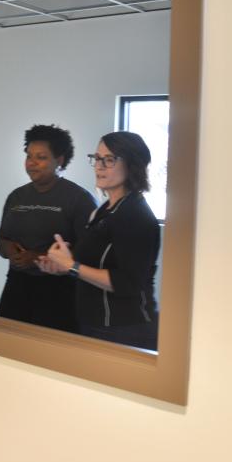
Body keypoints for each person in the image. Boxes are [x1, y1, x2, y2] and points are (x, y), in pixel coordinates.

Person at [37, 131, 160, 350]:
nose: (99, 166)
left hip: (125, 329)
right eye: (96, 158)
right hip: (94, 323)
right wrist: (62, 266)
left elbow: (126, 283)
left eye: (109, 159)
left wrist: (71, 266)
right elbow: (94, 266)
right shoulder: (104, 209)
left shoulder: (136, 216)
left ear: (132, 164)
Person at [0, 125, 97, 332]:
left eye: (40, 157)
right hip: (16, 287)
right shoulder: (16, 197)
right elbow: (0, 241)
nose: (31, 163)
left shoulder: (80, 199)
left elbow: (89, 254)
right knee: (7, 348)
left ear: (59, 161)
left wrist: (37, 257)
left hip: (59, 293)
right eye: (28, 156)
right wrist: (9, 250)